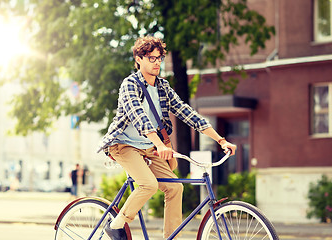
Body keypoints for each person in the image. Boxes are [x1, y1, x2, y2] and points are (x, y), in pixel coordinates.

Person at [97, 36, 237, 240]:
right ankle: (117, 224)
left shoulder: (162, 87)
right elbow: (139, 117)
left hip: (149, 148)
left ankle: (172, 237)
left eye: (159, 58)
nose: (156, 63)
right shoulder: (130, 84)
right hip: (123, 144)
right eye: (151, 58)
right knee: (149, 184)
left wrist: (221, 140)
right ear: (139, 59)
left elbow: (187, 113)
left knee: (175, 187)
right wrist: (159, 144)